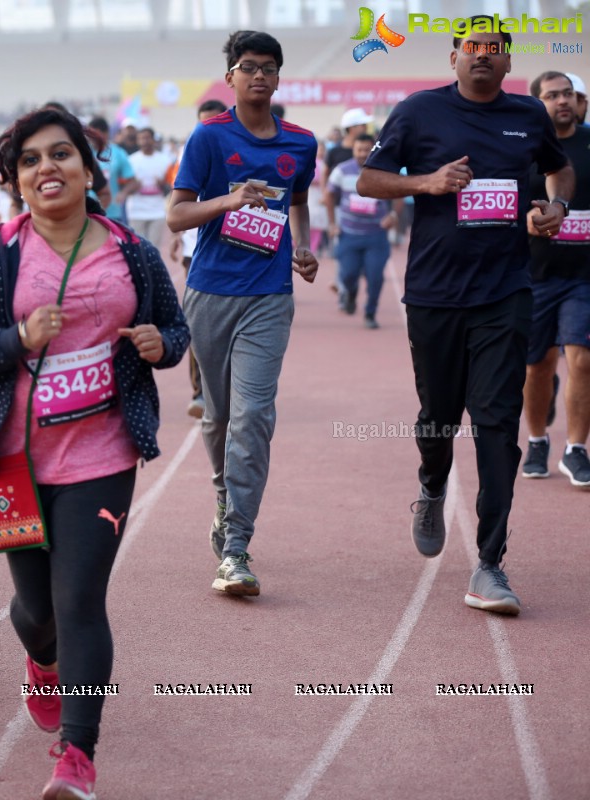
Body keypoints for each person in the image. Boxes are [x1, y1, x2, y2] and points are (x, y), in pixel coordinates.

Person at [0, 105, 188, 800]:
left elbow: (174, 328)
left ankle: (77, 755)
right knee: (36, 610)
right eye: (30, 161)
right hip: (8, 459)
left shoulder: (129, 251)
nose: (47, 168)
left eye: (61, 155)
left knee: (79, 598)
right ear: (15, 179)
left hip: (101, 453)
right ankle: (41, 662)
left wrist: (160, 345)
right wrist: (17, 338)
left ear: (87, 166)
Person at [357, 19, 572, 615]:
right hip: (434, 295)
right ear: (454, 58)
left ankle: (490, 564)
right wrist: (427, 182)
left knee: (498, 424)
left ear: (508, 62)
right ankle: (430, 485)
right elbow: (369, 180)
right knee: (438, 417)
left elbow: (560, 168)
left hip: (506, 291)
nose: (482, 56)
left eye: (494, 49)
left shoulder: (529, 115)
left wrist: (555, 205)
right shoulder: (417, 112)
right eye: (472, 49)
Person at [167, 30, 319, 598]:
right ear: (230, 76)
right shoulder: (209, 139)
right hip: (209, 293)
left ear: (280, 78)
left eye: (269, 68)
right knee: (217, 416)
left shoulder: (302, 143)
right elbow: (178, 216)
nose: (259, 76)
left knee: (253, 416)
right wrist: (229, 201)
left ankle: (235, 547)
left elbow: (297, 200)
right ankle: (223, 492)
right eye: (248, 67)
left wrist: (301, 247)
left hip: (270, 295)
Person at [519, 71, 590, 487]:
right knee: (538, 367)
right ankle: (538, 439)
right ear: (537, 103)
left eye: (568, 94)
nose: (562, 101)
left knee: (582, 358)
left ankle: (577, 449)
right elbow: (503, 199)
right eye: (552, 95)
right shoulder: (524, 145)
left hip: (584, 275)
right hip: (534, 274)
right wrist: (523, 218)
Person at [169, 99, 227, 420]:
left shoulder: (241, 148)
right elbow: (178, 198)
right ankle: (201, 392)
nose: (207, 129)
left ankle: (230, 387)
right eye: (202, 123)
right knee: (197, 324)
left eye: (214, 122)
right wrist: (178, 237)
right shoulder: (189, 150)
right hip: (197, 249)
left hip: (236, 246)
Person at [326, 132, 397, 329]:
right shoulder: (342, 170)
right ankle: (350, 293)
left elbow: (399, 194)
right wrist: (332, 223)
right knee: (348, 275)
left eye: (367, 150)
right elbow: (330, 194)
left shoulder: (384, 170)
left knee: (375, 277)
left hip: (376, 235)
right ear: (353, 150)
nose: (362, 153)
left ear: (373, 150)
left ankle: (370, 313)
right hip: (349, 234)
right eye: (359, 150)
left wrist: (393, 216)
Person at [125, 127, 173, 249]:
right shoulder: (131, 160)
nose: (144, 141)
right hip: (136, 211)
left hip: (157, 211)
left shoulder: (165, 160)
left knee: (153, 248)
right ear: (137, 141)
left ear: (153, 140)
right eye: (141, 138)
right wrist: (133, 186)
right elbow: (124, 186)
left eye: (147, 138)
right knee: (138, 248)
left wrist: (163, 184)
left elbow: (172, 187)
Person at [87, 116, 135, 225]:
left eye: (96, 135)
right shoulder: (84, 153)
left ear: (106, 134)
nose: (92, 139)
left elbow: (132, 181)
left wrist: (123, 193)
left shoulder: (118, 153)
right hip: (87, 213)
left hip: (113, 214)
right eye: (90, 135)